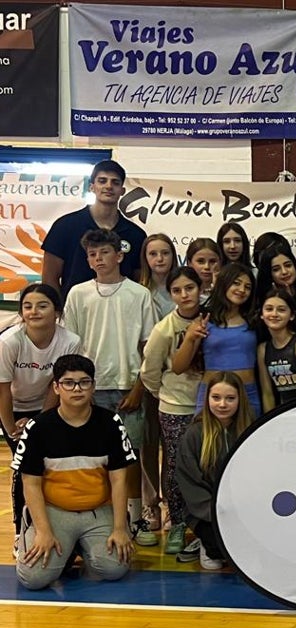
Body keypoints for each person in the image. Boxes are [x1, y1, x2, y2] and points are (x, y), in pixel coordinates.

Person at [62, 229, 156, 544]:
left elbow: (149, 349)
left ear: (119, 255)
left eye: (104, 252)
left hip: (128, 386)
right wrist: (76, 389)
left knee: (129, 458)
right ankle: (100, 519)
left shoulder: (139, 295)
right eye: (92, 254)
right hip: (88, 389)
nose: (98, 258)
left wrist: (139, 389)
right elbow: (71, 347)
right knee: (92, 457)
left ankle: (138, 518)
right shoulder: (77, 294)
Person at [12, 354, 137, 589]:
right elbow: (30, 484)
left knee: (114, 568)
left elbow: (120, 480)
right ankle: (64, 545)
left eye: (84, 382)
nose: (77, 389)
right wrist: (43, 531)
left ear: (93, 386)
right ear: (57, 388)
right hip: (54, 511)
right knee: (33, 578)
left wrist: (120, 528)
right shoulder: (38, 428)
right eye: (68, 383)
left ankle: (80, 544)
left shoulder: (111, 423)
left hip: (98, 510)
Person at [140, 269, 204, 557]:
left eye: (189, 287)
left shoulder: (213, 318)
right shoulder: (165, 328)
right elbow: (150, 371)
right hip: (175, 406)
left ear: (200, 288)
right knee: (176, 464)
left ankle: (205, 524)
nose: (184, 294)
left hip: (211, 405)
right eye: (177, 290)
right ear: (171, 294)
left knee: (207, 465)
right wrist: (165, 394)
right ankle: (177, 521)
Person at [175, 372, 253, 570]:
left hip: (242, 510)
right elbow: (189, 480)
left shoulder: (251, 430)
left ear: (240, 399)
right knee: (217, 557)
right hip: (206, 513)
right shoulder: (194, 434)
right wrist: (214, 512)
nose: (222, 404)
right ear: (207, 398)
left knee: (249, 557)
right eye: (216, 397)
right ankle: (206, 543)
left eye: (230, 398)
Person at [40, 160, 146, 297]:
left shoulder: (136, 234)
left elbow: (140, 280)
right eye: (102, 181)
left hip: (121, 311)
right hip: (75, 313)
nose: (108, 186)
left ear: (122, 191)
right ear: (91, 187)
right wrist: (61, 311)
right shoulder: (64, 226)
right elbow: (49, 279)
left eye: (115, 182)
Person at [0, 284, 81, 454]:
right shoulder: (9, 342)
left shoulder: (70, 341)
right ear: (21, 313)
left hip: (46, 405)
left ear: (57, 312)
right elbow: (3, 390)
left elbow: (56, 385)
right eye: (27, 307)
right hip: (11, 406)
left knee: (48, 458)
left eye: (42, 306)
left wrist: (38, 422)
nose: (34, 311)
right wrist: (12, 432)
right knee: (24, 460)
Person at [172, 263, 261, 417]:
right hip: (212, 395)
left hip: (248, 394)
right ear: (224, 283)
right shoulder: (204, 318)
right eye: (236, 283)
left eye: (247, 287)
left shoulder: (254, 319)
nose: (242, 290)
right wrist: (189, 338)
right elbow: (178, 367)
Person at [258, 288, 296, 411]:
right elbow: (267, 394)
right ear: (261, 314)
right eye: (269, 309)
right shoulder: (262, 349)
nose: (274, 314)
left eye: (281, 310)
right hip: (284, 412)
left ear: (291, 315)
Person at [139, 234, 180, 321]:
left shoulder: (184, 289)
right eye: (153, 254)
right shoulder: (138, 292)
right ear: (145, 257)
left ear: (173, 256)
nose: (160, 259)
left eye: (165, 253)